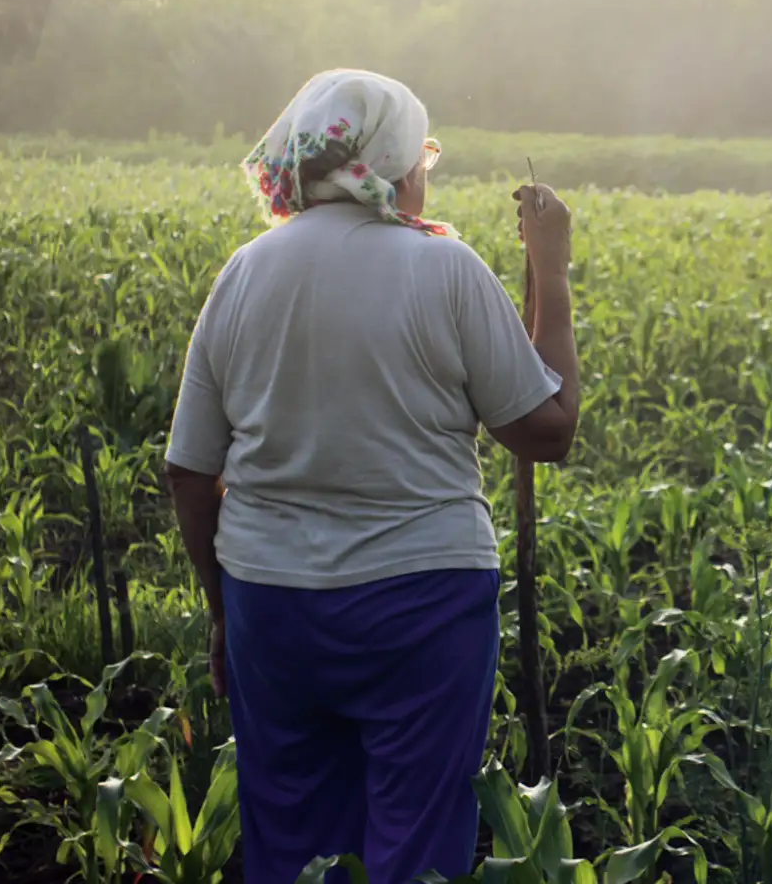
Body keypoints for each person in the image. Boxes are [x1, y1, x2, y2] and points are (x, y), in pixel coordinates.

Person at [163, 69, 580, 883]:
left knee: (292, 843)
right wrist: (552, 274)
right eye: (422, 154)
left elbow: (188, 471)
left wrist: (225, 612)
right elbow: (547, 431)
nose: (427, 172)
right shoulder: (444, 268)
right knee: (416, 841)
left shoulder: (244, 273)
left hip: (270, 605)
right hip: (421, 610)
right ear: (395, 164)